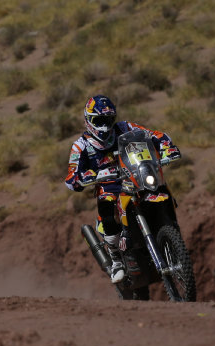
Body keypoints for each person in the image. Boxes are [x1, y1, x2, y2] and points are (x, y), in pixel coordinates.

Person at [65, 95, 181, 283]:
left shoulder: (126, 128)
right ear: (89, 120)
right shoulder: (81, 146)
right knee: (107, 208)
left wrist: (167, 147)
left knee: (161, 189)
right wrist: (84, 177)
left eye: (108, 120)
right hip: (110, 188)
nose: (104, 126)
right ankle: (116, 258)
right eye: (99, 120)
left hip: (137, 179)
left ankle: (171, 232)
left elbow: (153, 135)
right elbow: (71, 177)